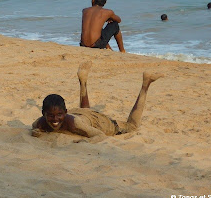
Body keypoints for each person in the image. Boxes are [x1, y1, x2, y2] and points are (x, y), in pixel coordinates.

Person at [32, 61, 163, 142]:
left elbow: (100, 135)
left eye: (59, 115)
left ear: (65, 112)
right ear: (43, 113)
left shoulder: (73, 124)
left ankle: (146, 84)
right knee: (86, 112)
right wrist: (36, 133)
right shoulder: (38, 124)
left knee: (132, 127)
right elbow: (35, 129)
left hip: (92, 121)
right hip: (80, 114)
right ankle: (83, 82)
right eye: (50, 116)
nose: (55, 119)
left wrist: (87, 142)